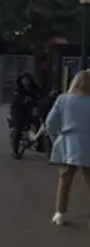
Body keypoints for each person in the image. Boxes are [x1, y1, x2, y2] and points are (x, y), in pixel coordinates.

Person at [44, 70, 90, 226]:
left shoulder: (63, 99)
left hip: (68, 143)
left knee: (65, 180)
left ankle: (60, 212)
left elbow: (50, 123)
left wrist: (57, 138)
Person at [9, 72, 44, 156]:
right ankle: (15, 151)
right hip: (18, 111)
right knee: (18, 128)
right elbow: (17, 98)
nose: (26, 81)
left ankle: (40, 145)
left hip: (30, 110)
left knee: (39, 125)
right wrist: (23, 99)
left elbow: (43, 94)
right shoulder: (18, 89)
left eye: (28, 79)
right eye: (24, 80)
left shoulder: (34, 88)